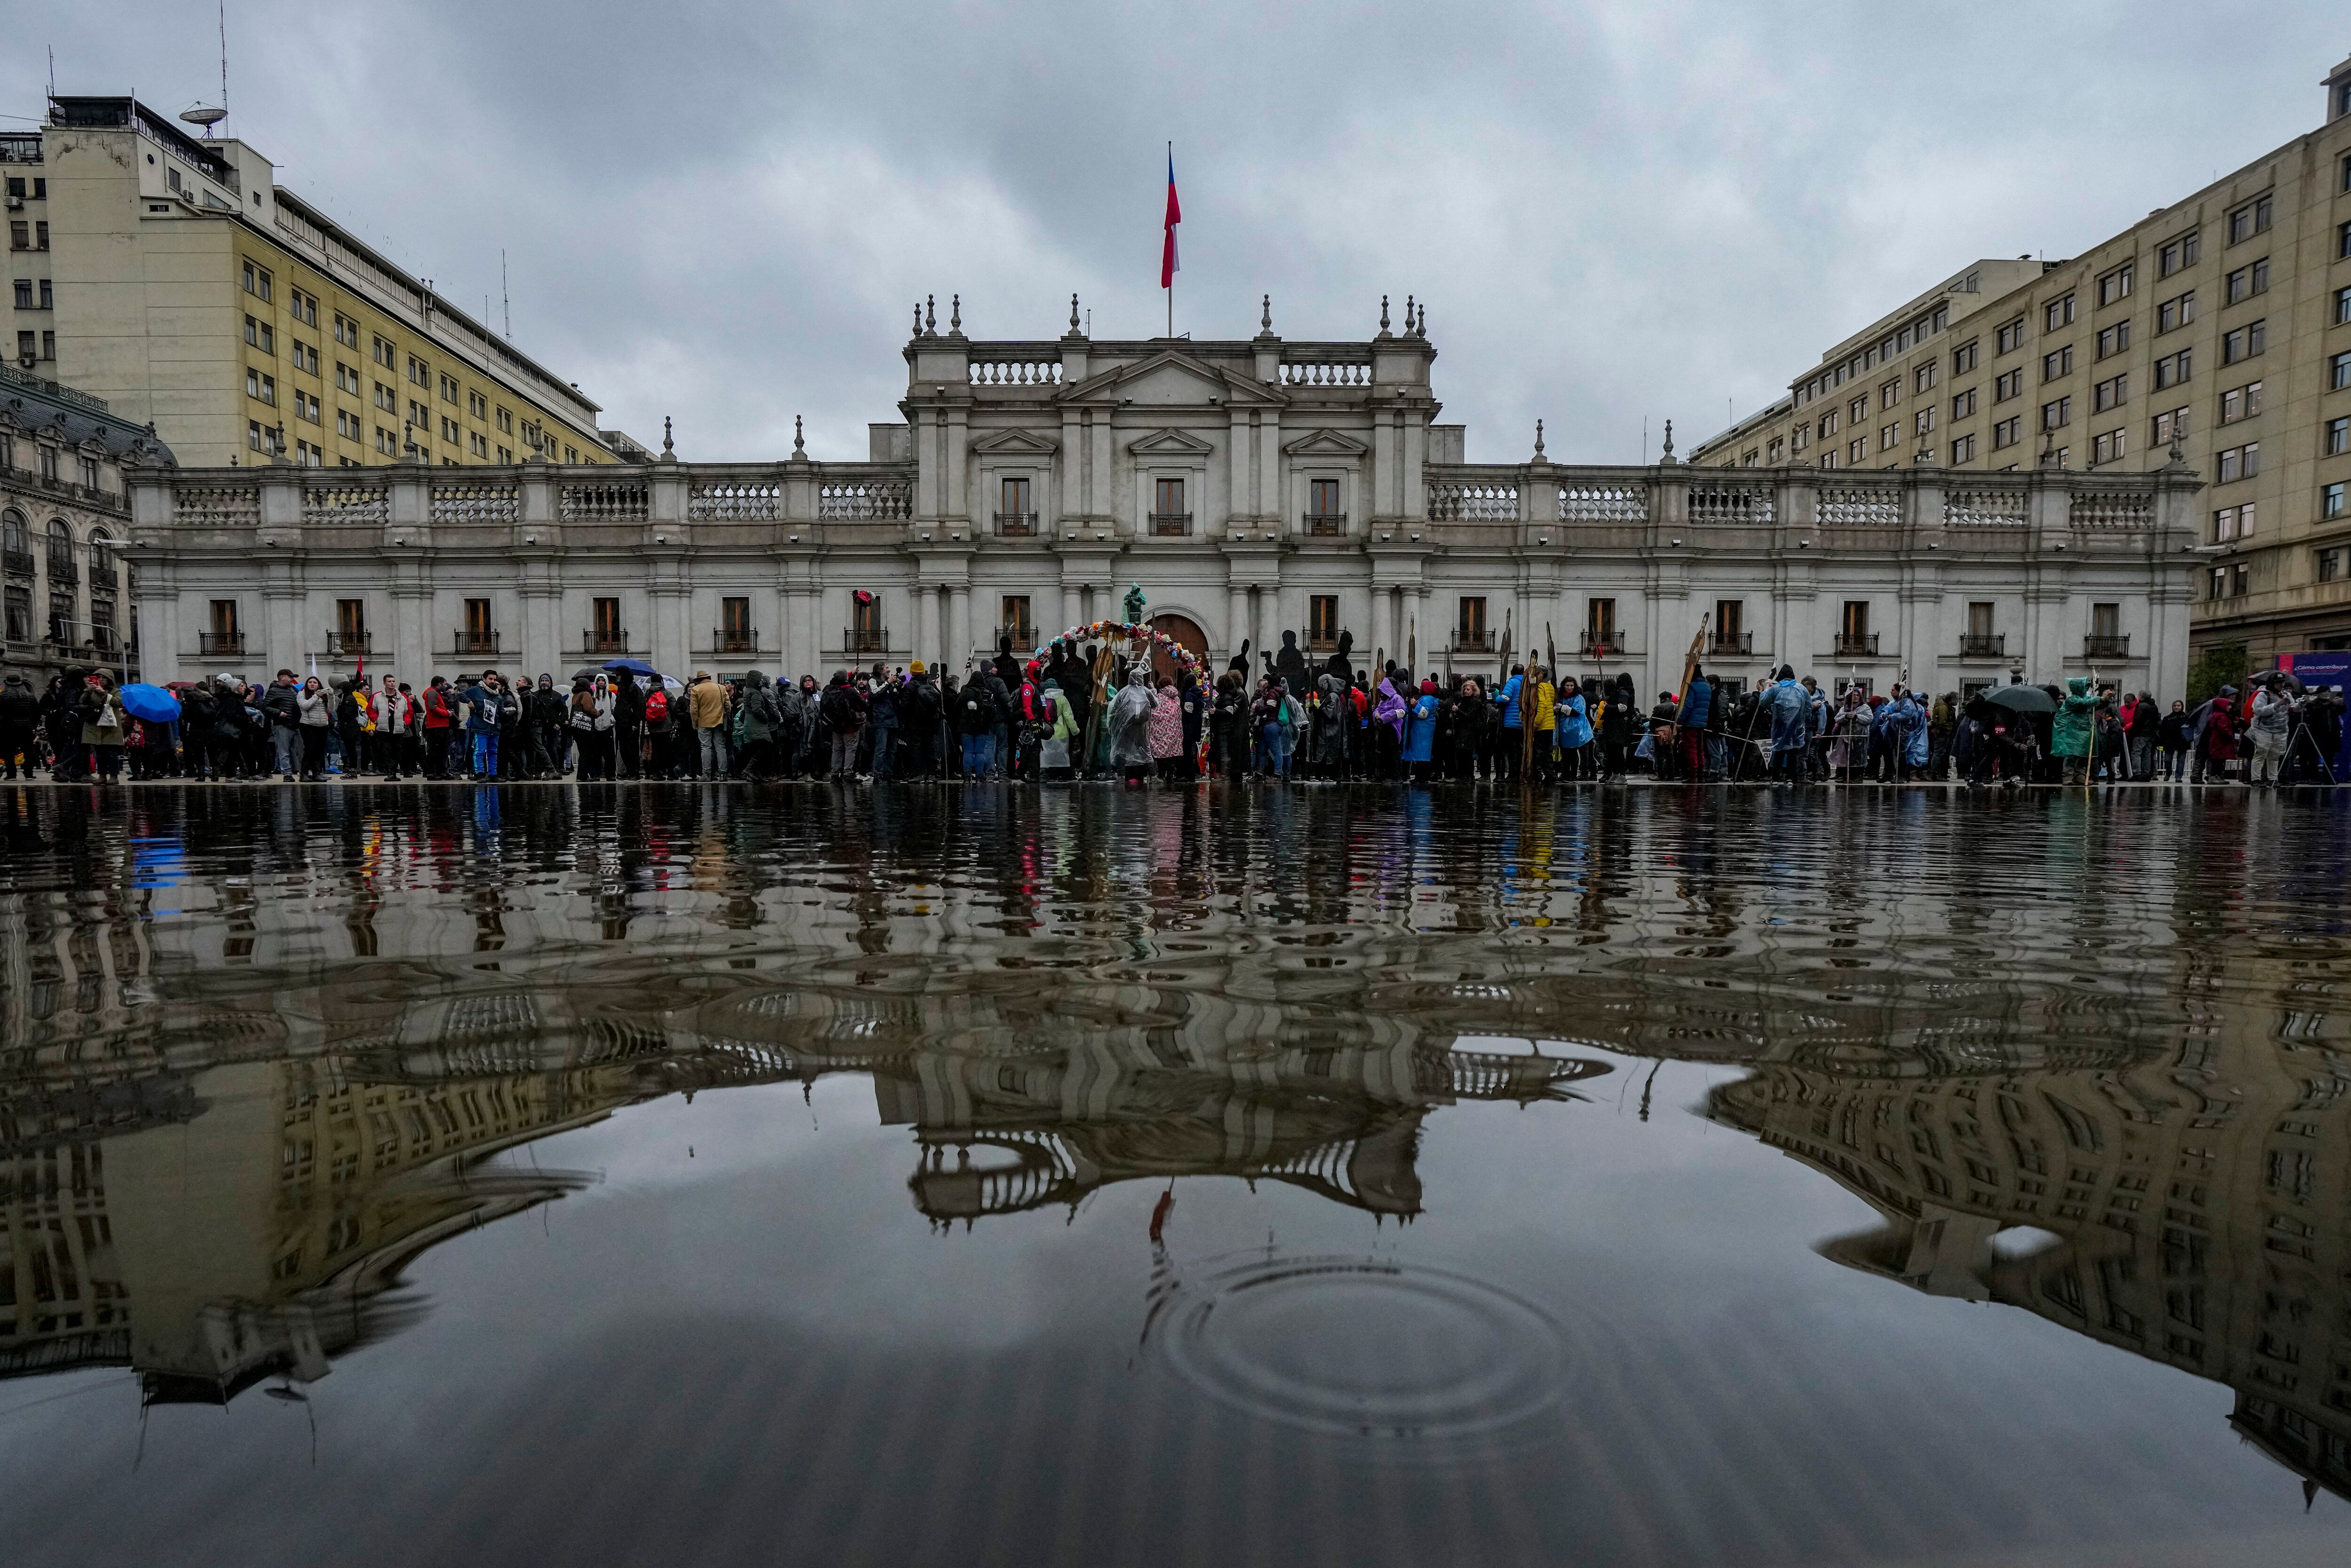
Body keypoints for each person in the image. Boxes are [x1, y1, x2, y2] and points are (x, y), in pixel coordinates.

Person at [2051, 676, 2096, 786]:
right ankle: (2068, 776)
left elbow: (2093, 704)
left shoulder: (2086, 699)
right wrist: (2100, 699)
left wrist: (2106, 699)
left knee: (2082, 755)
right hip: (2072, 731)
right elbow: (2083, 704)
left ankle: (2080, 776)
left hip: (2083, 731)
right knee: (2071, 754)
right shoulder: (2072, 699)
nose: (2086, 689)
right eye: (2085, 687)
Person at [2248, 679, 2291, 787]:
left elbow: (2292, 709)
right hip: (2263, 730)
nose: (2281, 685)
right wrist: (2277, 704)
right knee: (2260, 754)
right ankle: (2256, 779)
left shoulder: (2286, 695)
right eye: (2278, 683)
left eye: (2282, 683)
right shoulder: (2263, 695)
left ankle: (2273, 779)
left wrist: (2300, 705)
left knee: (2275, 756)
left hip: (2279, 730)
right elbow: (2259, 711)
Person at [0, 673, 39, 779]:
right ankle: (29, 774)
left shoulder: (3, 697)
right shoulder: (30, 697)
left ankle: (12, 774)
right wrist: (33, 726)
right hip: (27, 728)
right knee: (28, 751)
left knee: (9, 752)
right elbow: (37, 714)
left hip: (8, 728)